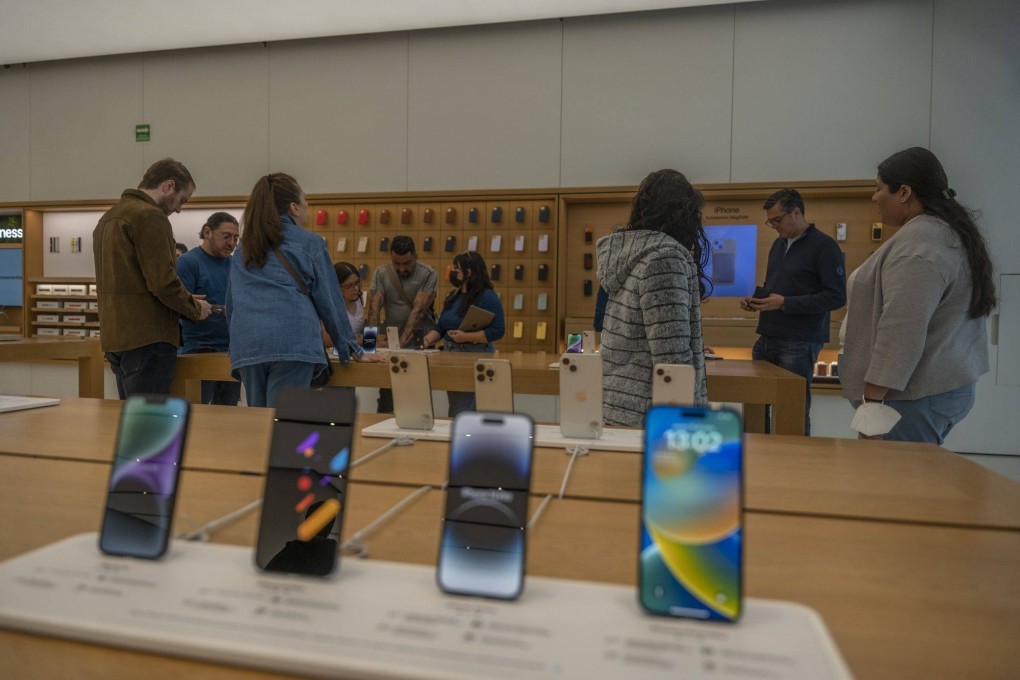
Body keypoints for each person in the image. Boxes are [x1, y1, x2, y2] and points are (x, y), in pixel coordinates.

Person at [841, 147, 996, 444]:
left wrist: (873, 403)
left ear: (904, 192)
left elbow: (901, 332)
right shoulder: (941, 234)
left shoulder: (919, 246)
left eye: (878, 188)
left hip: (908, 400)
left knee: (895, 483)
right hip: (924, 393)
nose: (874, 197)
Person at [226, 173, 378, 408]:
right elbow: (330, 302)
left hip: (248, 343)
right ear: (294, 208)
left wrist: (238, 341)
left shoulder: (244, 247)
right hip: (292, 342)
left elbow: (232, 303)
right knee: (283, 422)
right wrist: (352, 348)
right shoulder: (309, 243)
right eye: (305, 200)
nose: (308, 205)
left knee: (259, 421)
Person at [596, 169, 710, 427]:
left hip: (619, 404)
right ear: (686, 213)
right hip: (652, 414)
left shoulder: (630, 255)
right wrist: (688, 422)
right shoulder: (664, 259)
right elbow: (672, 358)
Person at [93, 157, 212, 399]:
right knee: (149, 426)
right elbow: (162, 282)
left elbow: (133, 281)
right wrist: (194, 308)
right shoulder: (150, 216)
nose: (179, 208)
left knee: (133, 422)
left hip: (117, 339)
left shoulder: (108, 217)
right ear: (168, 186)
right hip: (148, 340)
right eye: (182, 200)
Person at [741, 188, 846, 435]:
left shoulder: (824, 246)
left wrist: (786, 303)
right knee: (756, 404)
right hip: (767, 337)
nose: (774, 226)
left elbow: (836, 296)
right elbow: (777, 288)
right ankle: (761, 456)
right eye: (770, 221)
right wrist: (757, 300)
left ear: (796, 212)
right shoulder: (778, 246)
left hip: (798, 341)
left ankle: (796, 463)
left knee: (792, 408)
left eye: (777, 220)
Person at [422, 251, 505, 417]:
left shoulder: (487, 297)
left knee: (463, 407)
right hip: (451, 355)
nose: (453, 272)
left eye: (457, 269)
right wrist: (426, 339)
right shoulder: (455, 295)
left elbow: (498, 330)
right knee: (456, 403)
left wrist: (466, 337)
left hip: (472, 354)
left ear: (469, 272)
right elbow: (442, 326)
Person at [366, 235, 438, 413]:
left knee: (417, 396)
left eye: (407, 263)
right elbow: (374, 308)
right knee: (387, 396)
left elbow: (418, 310)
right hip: (392, 346)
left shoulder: (428, 274)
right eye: (396, 263)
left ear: (416, 256)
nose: (401, 268)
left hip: (419, 345)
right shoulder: (382, 273)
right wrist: (369, 345)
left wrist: (400, 342)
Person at [176, 212, 242, 405]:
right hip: (199, 348)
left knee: (227, 413)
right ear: (207, 232)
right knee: (198, 411)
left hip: (231, 350)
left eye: (236, 238)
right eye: (226, 236)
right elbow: (185, 306)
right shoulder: (189, 262)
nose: (231, 243)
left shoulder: (235, 264)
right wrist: (218, 309)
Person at [333, 261, 365, 341]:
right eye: (349, 286)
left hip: (356, 350)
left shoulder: (358, 299)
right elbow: (328, 340)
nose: (355, 288)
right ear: (336, 287)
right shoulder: (331, 305)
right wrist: (359, 340)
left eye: (357, 282)